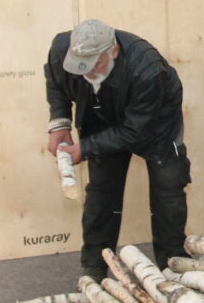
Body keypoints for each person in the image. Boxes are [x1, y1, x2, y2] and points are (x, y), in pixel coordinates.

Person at [45, 19, 190, 278]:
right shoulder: (61, 48)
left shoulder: (148, 69)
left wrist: (85, 148)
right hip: (100, 113)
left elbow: (135, 132)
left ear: (113, 51)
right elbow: (57, 83)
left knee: (168, 187)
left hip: (156, 120)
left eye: (94, 65)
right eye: (81, 67)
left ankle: (173, 266)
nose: (87, 73)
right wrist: (59, 123)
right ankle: (96, 265)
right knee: (102, 190)